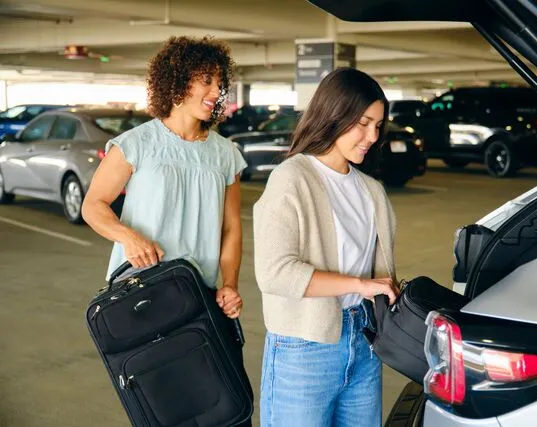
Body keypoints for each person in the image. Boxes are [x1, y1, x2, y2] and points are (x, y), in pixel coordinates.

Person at [253, 67, 399, 427]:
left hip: (364, 341)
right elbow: (274, 273)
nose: (371, 136)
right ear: (334, 115)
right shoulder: (293, 178)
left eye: (378, 125)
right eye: (363, 123)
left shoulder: (371, 191)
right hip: (304, 348)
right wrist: (359, 285)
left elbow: (379, 272)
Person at [82, 35, 247, 319]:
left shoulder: (226, 153)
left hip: (197, 294)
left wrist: (229, 284)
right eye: (206, 80)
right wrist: (128, 238)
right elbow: (93, 205)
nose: (216, 90)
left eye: (220, 83)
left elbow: (231, 228)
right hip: (138, 292)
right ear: (178, 80)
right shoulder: (136, 144)